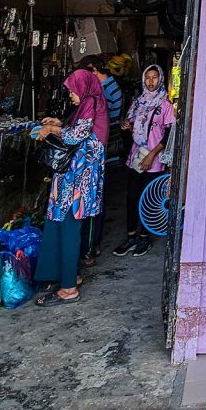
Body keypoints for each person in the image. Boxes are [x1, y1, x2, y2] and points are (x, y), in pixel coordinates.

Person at [31, 69, 105, 306]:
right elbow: (77, 128)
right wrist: (59, 123)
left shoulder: (91, 102)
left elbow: (76, 136)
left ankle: (69, 289)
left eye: (73, 90)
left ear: (83, 87)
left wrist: (53, 130)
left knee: (71, 227)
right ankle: (68, 275)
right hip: (72, 177)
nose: (71, 94)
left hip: (78, 181)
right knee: (62, 225)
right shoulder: (87, 104)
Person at [110, 64, 175, 257]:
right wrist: (126, 126)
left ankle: (145, 237)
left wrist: (151, 155)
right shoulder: (138, 103)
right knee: (132, 197)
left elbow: (169, 135)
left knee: (149, 199)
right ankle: (131, 236)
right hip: (135, 158)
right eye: (148, 77)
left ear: (160, 79)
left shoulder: (165, 105)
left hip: (153, 160)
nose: (151, 81)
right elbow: (131, 124)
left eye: (155, 77)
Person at [79, 54, 124, 267]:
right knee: (95, 196)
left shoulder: (101, 93)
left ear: (92, 70)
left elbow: (86, 127)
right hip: (101, 148)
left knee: (93, 198)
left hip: (97, 150)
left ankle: (90, 246)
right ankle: (91, 244)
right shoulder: (108, 87)